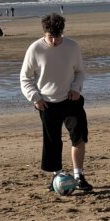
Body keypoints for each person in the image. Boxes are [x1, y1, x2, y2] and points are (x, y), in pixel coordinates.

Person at [20, 12, 92, 192]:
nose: (54, 42)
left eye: (58, 37)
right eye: (50, 37)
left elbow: (80, 72)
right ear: (45, 33)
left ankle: (78, 175)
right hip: (46, 103)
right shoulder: (35, 49)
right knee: (52, 142)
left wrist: (76, 88)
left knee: (79, 136)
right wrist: (35, 98)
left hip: (71, 100)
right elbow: (25, 78)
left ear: (62, 33)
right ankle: (57, 176)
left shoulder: (72, 47)